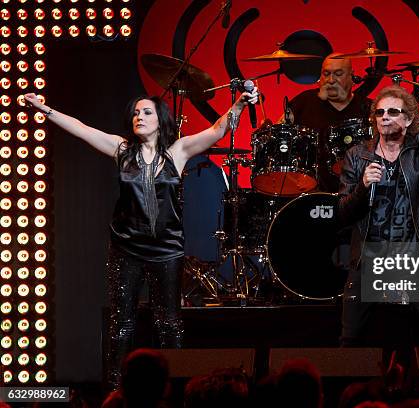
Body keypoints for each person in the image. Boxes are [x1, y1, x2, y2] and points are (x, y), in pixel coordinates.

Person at [24, 88, 258, 387]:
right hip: (127, 248)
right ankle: (116, 392)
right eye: (136, 113)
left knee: (170, 324)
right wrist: (45, 109)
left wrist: (238, 103)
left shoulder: (178, 151)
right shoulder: (122, 150)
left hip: (167, 250)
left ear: (160, 120)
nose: (139, 117)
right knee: (122, 325)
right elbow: (82, 129)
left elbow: (217, 129)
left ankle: (173, 389)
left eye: (146, 112)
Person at [337, 85, 419, 345]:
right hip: (368, 261)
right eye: (379, 112)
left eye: (392, 111)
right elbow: (343, 214)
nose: (384, 116)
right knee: (350, 340)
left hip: (414, 259)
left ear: (408, 119)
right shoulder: (357, 155)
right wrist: (363, 188)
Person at [286, 54, 372, 192]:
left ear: (352, 76)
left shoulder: (368, 108)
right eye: (326, 74)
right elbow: (281, 137)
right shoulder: (303, 102)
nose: (331, 80)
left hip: (359, 192)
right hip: (310, 191)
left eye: (338, 74)